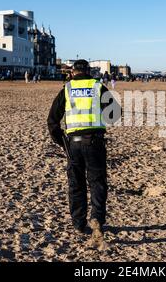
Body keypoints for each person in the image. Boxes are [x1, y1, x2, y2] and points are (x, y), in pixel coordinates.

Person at [48, 59, 119, 245]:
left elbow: (52, 121)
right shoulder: (98, 86)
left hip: (73, 143)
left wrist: (62, 143)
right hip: (95, 141)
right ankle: (97, 218)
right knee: (97, 182)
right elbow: (115, 114)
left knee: (76, 184)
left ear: (72, 72)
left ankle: (79, 223)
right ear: (88, 71)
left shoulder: (67, 89)